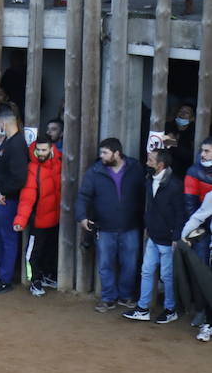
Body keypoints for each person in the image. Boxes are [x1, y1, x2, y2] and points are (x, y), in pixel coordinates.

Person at [77, 138, 145, 312]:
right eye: (101, 152)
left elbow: (146, 193)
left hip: (130, 226)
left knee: (129, 264)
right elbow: (84, 196)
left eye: (105, 153)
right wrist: (82, 217)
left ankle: (126, 295)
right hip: (105, 226)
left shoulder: (135, 168)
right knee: (105, 264)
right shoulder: (95, 171)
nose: (101, 156)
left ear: (117, 153)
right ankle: (108, 298)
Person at [122, 149, 187, 325]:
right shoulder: (150, 179)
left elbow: (180, 213)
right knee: (147, 271)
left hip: (167, 238)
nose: (147, 162)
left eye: (150, 160)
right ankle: (143, 308)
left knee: (166, 275)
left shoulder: (175, 185)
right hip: (153, 235)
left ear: (160, 165)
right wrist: (147, 227)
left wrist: (176, 236)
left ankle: (170, 309)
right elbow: (150, 208)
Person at [0, 107, 29, 296]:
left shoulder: (17, 143)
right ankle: (2, 274)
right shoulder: (9, 141)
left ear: (4, 122)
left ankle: (6, 279)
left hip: (8, 200)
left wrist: (4, 192)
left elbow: (19, 177)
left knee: (7, 238)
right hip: (1, 197)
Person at [12, 135, 62, 297]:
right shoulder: (32, 168)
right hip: (39, 219)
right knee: (33, 252)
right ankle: (34, 280)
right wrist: (21, 220)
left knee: (50, 249)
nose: (40, 153)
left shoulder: (59, 163)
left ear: (51, 149)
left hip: (56, 218)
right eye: (38, 150)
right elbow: (27, 198)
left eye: (44, 150)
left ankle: (47, 276)